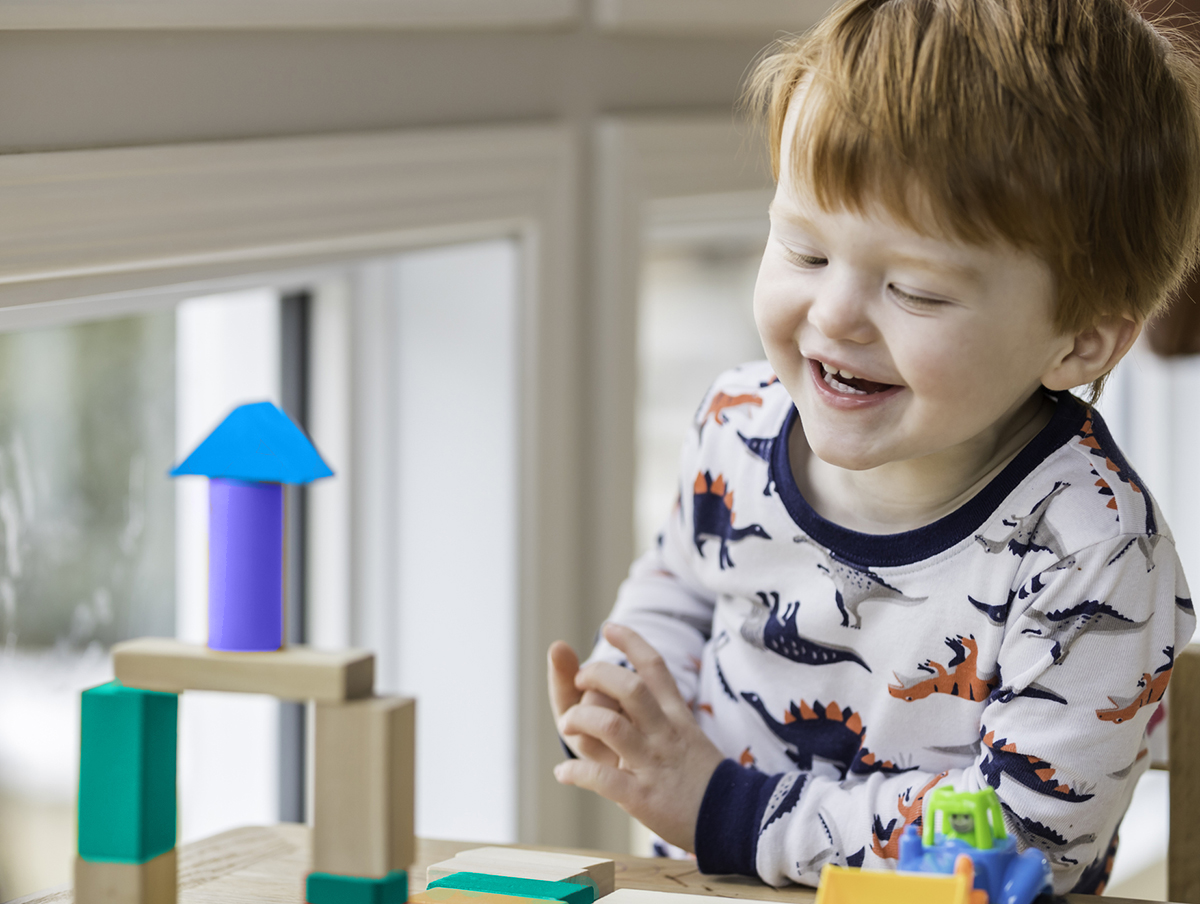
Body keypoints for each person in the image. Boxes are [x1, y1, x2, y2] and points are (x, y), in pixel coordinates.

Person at [546, 0, 1200, 894]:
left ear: (1080, 340)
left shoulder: (1093, 549)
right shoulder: (739, 418)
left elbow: (1028, 841)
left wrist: (722, 810)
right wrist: (625, 694)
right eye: (803, 251)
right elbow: (682, 580)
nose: (836, 314)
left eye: (917, 290)